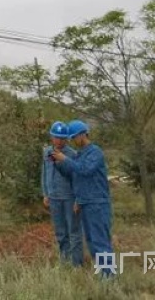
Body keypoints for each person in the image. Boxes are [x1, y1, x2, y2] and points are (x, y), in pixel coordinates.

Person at [52, 119, 115, 277]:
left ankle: (108, 276)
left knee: (100, 241)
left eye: (74, 137)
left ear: (82, 135)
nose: (72, 141)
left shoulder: (95, 152)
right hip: (86, 203)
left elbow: (85, 170)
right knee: (92, 242)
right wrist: (58, 163)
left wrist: (65, 159)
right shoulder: (80, 154)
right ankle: (102, 273)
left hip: (98, 203)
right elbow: (75, 176)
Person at [41, 121, 83, 267]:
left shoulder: (72, 154)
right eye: (56, 137)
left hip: (69, 198)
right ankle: (65, 261)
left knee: (74, 231)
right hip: (54, 198)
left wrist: (78, 199)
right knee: (60, 232)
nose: (59, 141)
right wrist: (45, 193)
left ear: (66, 139)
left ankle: (77, 264)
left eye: (62, 138)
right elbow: (44, 173)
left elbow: (77, 179)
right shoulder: (46, 152)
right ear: (51, 137)